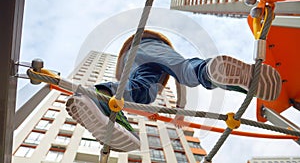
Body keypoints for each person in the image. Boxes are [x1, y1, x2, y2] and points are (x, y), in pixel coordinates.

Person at [65, 30, 281, 151]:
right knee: (188, 71)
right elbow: (181, 79)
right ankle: (209, 69)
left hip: (131, 54)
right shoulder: (163, 68)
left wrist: (179, 108)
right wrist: (181, 107)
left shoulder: (145, 77)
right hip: (158, 45)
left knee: (141, 93)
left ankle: (98, 98)